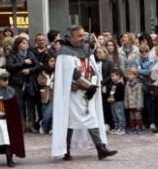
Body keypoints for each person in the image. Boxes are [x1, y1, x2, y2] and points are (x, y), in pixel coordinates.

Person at [50, 26, 118, 161]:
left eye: (83, 35)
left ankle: (100, 148)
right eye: (79, 36)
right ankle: (66, 150)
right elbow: (73, 73)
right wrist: (89, 86)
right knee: (70, 121)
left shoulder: (85, 50)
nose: (83, 38)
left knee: (91, 118)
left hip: (87, 93)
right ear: (71, 37)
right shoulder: (65, 53)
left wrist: (92, 84)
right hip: (73, 93)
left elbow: (92, 69)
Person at [105, 70, 126, 135]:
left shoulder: (121, 85)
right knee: (114, 115)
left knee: (119, 115)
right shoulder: (112, 85)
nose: (112, 77)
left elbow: (121, 95)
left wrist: (114, 99)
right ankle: (116, 127)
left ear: (119, 76)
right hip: (112, 102)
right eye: (111, 76)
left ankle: (121, 128)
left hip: (118, 102)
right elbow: (111, 92)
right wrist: (109, 98)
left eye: (114, 76)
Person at [124, 68, 145, 133]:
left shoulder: (139, 84)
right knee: (131, 117)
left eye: (130, 75)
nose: (129, 76)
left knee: (138, 116)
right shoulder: (127, 84)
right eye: (128, 74)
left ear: (135, 75)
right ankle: (132, 127)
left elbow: (139, 95)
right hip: (130, 103)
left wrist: (139, 105)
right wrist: (126, 103)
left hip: (137, 104)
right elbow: (126, 94)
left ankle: (140, 127)